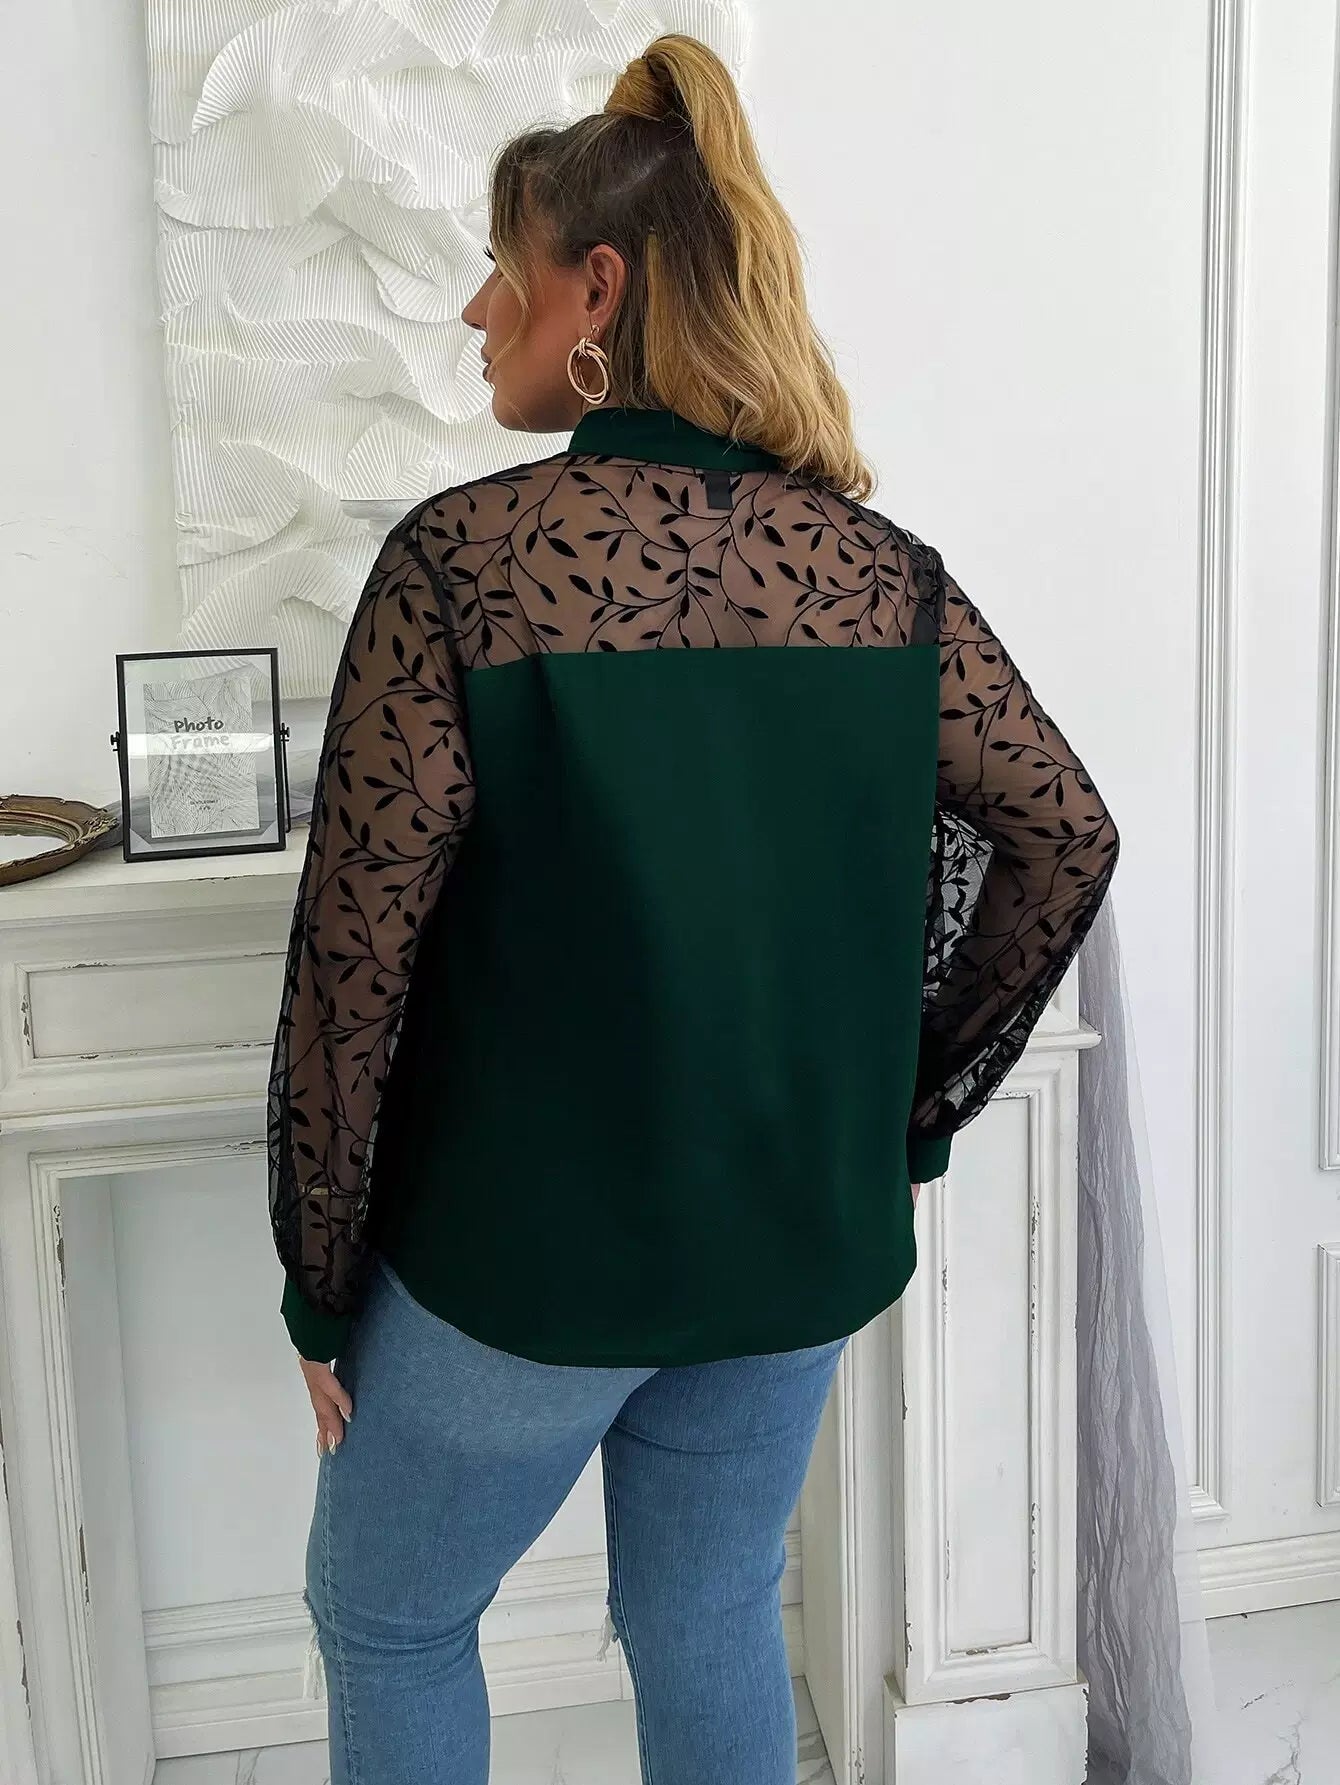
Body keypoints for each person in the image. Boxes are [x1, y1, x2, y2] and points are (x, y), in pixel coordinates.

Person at [266, 33, 1121, 1785]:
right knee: (711, 1613)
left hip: (527, 1267)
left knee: (391, 1618)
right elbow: (1063, 836)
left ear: (597, 291)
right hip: (788, 1248)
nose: (473, 312)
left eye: (497, 269)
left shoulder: (463, 566)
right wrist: (898, 1115)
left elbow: (355, 971)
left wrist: (318, 1281)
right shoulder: (879, 575)